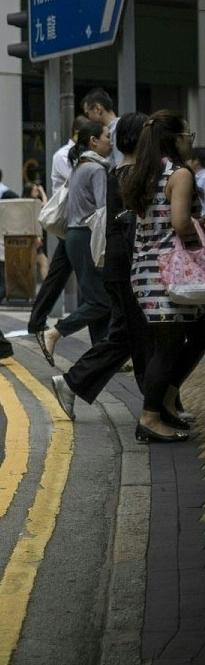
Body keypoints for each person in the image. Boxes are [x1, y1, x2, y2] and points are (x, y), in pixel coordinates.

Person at [49, 114, 167, 430]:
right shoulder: (128, 174)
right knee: (135, 336)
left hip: (119, 265)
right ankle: (154, 408)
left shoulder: (115, 171)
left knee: (126, 335)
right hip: (129, 266)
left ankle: (155, 404)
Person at [119, 110, 205, 443]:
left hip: (146, 270)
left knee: (190, 335)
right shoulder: (179, 174)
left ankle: (165, 402)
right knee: (169, 346)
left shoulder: (144, 171)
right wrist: (198, 238)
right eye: (188, 136)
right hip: (169, 272)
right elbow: (181, 222)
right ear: (175, 138)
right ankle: (150, 418)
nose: (190, 142)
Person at [37, 121, 113, 360]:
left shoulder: (80, 166)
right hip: (88, 235)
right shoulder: (97, 169)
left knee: (95, 297)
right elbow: (103, 211)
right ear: (93, 141)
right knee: (101, 301)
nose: (111, 142)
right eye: (107, 137)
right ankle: (54, 333)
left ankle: (101, 355)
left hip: (73, 236)